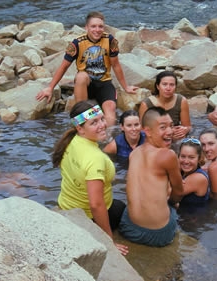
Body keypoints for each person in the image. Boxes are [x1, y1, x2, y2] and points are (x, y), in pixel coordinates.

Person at [52, 100, 128, 255]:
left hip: (67, 205)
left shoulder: (71, 141)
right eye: (94, 122)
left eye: (101, 119)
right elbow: (96, 205)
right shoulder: (95, 158)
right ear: (80, 128)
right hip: (87, 217)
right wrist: (108, 240)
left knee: (118, 205)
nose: (102, 125)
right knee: (121, 209)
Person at [36, 11, 138, 126]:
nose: (97, 30)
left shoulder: (110, 41)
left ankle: (105, 137)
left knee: (110, 112)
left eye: (100, 26)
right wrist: (50, 88)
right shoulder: (77, 43)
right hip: (86, 84)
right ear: (86, 27)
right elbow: (63, 67)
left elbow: (116, 65)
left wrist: (126, 87)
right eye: (93, 26)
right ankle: (82, 120)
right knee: (81, 76)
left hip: (104, 83)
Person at [118, 107, 184, 247]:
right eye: (163, 127)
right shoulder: (168, 155)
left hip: (128, 227)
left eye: (171, 126)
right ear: (147, 131)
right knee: (173, 201)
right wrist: (172, 203)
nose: (170, 131)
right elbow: (179, 192)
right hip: (157, 235)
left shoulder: (134, 153)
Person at [138, 71, 191, 140]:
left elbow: (188, 126)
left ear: (175, 87)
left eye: (172, 85)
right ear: (158, 86)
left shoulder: (181, 101)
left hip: (175, 137)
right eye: (164, 84)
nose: (168, 88)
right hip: (155, 137)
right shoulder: (146, 104)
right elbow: (142, 130)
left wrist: (184, 130)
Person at [178, 138, 210, 207]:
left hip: (193, 217)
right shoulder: (182, 171)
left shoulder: (198, 178)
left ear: (199, 158)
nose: (186, 161)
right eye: (183, 156)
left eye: (191, 157)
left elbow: (169, 195)